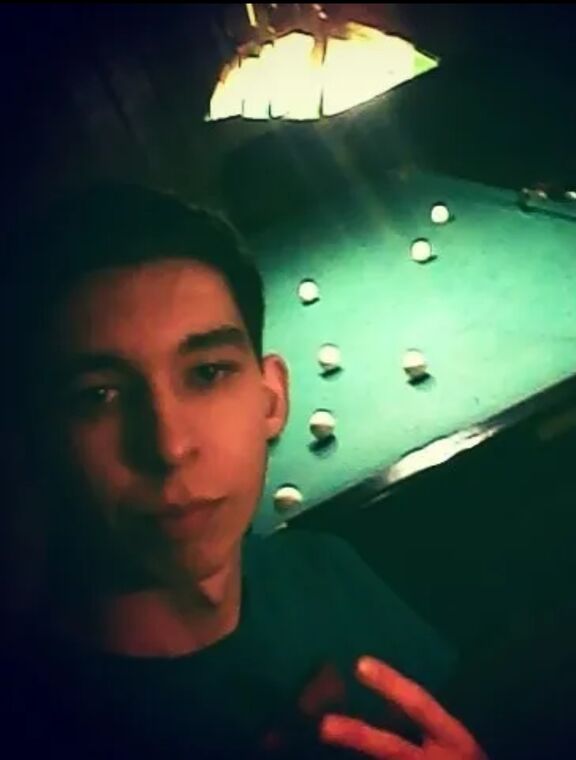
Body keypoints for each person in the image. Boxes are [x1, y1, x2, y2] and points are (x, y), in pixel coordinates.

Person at [0, 183, 488, 759]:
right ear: (30, 439)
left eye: (207, 373)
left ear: (271, 398)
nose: (169, 446)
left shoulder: (325, 571)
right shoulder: (31, 718)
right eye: (98, 395)